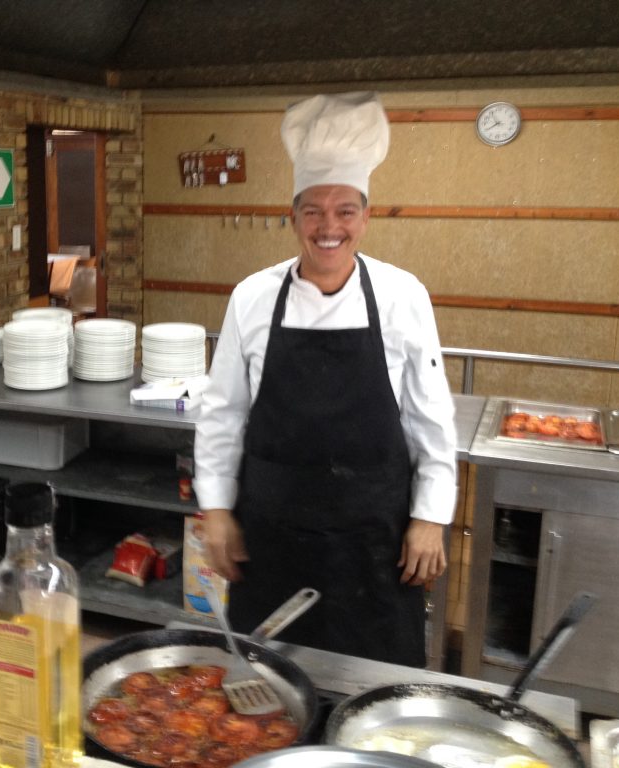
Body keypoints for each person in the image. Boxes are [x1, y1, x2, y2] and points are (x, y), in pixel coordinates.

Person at [193, 92, 458, 667]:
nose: (328, 226)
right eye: (313, 210)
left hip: (373, 543)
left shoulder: (402, 296)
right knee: (266, 687)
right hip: (271, 538)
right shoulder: (252, 297)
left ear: (365, 217)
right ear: (293, 218)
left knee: (376, 692)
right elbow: (223, 413)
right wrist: (215, 509)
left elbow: (429, 416)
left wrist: (431, 516)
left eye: (344, 210)